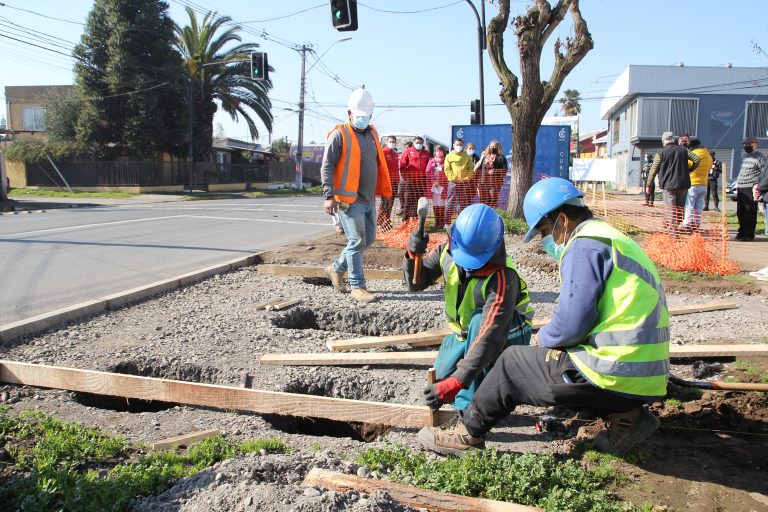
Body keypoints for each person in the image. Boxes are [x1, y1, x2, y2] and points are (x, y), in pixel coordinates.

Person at [419, 177, 669, 457]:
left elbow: (570, 325)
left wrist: (545, 338)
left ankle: (467, 433)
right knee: (559, 361)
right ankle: (629, 418)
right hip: (645, 377)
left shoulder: (584, 245)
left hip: (613, 372)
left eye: (544, 231)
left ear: (562, 220)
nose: (545, 241)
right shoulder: (612, 238)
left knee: (512, 363)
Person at [405, 203, 534, 411]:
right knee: (440, 381)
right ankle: (473, 378)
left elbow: (490, 334)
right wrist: (413, 256)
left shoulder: (502, 276)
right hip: (467, 334)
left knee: (463, 384)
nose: (468, 265)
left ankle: (470, 414)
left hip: (509, 333)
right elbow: (415, 284)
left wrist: (458, 382)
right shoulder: (447, 251)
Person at [321, 88, 393, 303]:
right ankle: (357, 286)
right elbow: (327, 166)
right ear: (349, 113)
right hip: (347, 200)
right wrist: (329, 195)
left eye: (366, 116)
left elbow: (377, 164)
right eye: (358, 115)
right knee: (357, 239)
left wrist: (386, 193)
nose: (362, 119)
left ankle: (335, 268)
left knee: (367, 239)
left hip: (368, 198)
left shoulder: (372, 133)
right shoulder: (339, 134)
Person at [645, 132, 701, 236]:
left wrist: (648, 185)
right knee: (679, 209)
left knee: (670, 211)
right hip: (683, 185)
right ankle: (674, 227)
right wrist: (690, 169)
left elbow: (653, 170)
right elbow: (697, 159)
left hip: (668, 186)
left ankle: (673, 234)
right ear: (673, 141)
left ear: (663, 141)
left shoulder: (660, 153)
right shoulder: (683, 150)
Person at [734, 136, 768, 241]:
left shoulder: (760, 157)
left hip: (751, 187)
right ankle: (742, 231)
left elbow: (763, 172)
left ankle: (749, 234)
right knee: (740, 211)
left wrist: (757, 185)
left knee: (750, 211)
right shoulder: (744, 156)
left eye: (748, 144)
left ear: (755, 144)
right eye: (744, 144)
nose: (746, 146)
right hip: (741, 186)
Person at [682, 139, 713, 231]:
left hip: (693, 183)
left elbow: (687, 166)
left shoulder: (692, 155)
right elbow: (710, 166)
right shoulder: (708, 155)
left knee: (689, 205)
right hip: (704, 184)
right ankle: (696, 223)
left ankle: (687, 224)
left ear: (691, 147)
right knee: (699, 205)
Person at [399, 136, 431, 221]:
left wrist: (427, 179)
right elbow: (402, 166)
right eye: (417, 143)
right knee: (408, 201)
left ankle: (417, 221)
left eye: (420, 143)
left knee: (420, 201)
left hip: (421, 182)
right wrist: (406, 178)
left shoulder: (426, 153)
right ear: (413, 143)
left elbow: (429, 167)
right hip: (410, 182)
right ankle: (405, 220)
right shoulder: (408, 151)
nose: (419, 144)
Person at [445, 138, 475, 221]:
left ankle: (462, 221)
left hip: (464, 183)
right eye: (457, 145)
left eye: (460, 145)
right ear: (454, 145)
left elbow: (471, 169)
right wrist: (454, 179)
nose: (459, 146)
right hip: (453, 183)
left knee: (463, 202)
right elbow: (447, 169)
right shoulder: (449, 156)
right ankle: (447, 222)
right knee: (450, 202)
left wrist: (466, 179)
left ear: (463, 146)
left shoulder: (467, 156)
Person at [377, 135, 400, 230]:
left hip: (394, 181)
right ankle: (380, 222)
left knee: (392, 202)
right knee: (385, 202)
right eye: (390, 141)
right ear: (387, 142)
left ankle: (387, 219)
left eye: (393, 141)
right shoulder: (383, 152)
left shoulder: (395, 153)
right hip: (386, 181)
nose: (392, 143)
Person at [476, 140, 508, 207]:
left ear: (498, 147)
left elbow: (505, 171)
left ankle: (493, 216)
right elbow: (480, 170)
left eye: (494, 146)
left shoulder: (502, 158)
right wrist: (478, 184)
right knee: (483, 201)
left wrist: (495, 171)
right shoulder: (485, 157)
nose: (492, 148)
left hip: (495, 183)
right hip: (483, 183)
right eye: (491, 146)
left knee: (493, 201)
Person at [425, 145, 449, 230]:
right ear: (435, 152)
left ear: (443, 152)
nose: (438, 152)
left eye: (440, 150)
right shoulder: (431, 161)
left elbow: (448, 173)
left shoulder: (446, 161)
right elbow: (427, 172)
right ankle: (437, 221)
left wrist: (440, 182)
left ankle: (442, 222)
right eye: (437, 150)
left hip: (443, 186)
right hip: (433, 186)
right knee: (435, 204)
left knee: (442, 203)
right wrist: (433, 181)